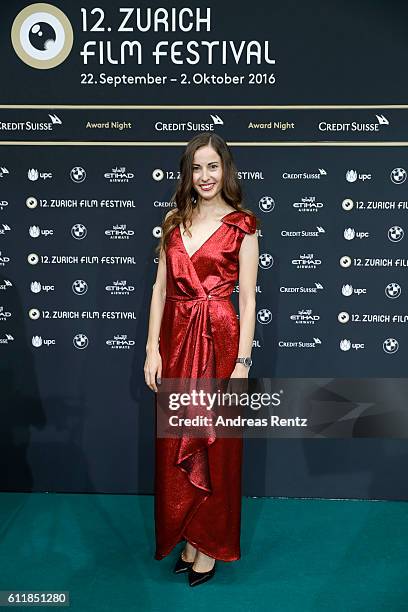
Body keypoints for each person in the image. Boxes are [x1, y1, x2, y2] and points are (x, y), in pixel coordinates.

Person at [144, 132, 259, 587]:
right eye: (197, 167)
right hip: (175, 342)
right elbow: (159, 290)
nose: (205, 176)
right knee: (176, 442)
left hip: (220, 342)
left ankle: (210, 543)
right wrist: (152, 348)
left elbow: (248, 300)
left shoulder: (243, 225)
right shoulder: (174, 222)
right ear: (187, 174)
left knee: (216, 446)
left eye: (213, 167)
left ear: (225, 171)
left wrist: (242, 364)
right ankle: (188, 537)